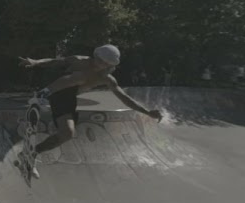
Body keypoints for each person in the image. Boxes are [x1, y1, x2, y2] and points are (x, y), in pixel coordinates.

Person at [18, 44, 162, 178]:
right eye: (98, 60)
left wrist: (147, 112)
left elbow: (124, 98)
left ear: (110, 65)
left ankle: (30, 154)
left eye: (104, 64)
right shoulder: (79, 61)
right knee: (80, 76)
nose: (99, 65)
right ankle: (42, 95)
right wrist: (36, 62)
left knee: (67, 133)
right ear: (95, 56)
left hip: (66, 98)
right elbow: (55, 62)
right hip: (54, 85)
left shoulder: (107, 79)